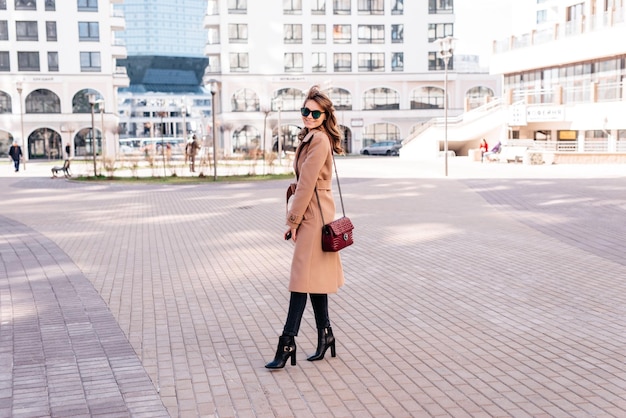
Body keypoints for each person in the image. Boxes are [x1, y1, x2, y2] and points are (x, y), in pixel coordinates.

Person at [265, 86, 345, 369]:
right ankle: (326, 335)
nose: (308, 116)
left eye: (314, 113)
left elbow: (307, 185)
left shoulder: (319, 140)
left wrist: (293, 221)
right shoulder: (312, 137)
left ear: (324, 116)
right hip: (313, 211)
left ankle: (287, 342)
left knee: (301, 280)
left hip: (314, 214)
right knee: (313, 278)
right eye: (305, 111)